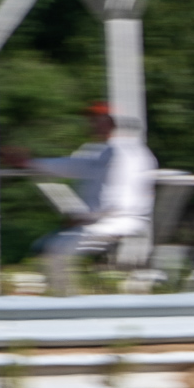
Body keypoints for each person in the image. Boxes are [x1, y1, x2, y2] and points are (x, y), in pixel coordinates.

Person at [17, 103, 158, 295]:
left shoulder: (125, 153)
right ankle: (72, 296)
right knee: (47, 248)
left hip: (120, 221)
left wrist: (84, 218)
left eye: (97, 120)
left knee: (55, 249)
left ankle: (67, 300)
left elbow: (119, 200)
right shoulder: (106, 151)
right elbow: (73, 165)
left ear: (112, 123)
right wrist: (29, 163)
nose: (91, 125)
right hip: (104, 220)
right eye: (91, 121)